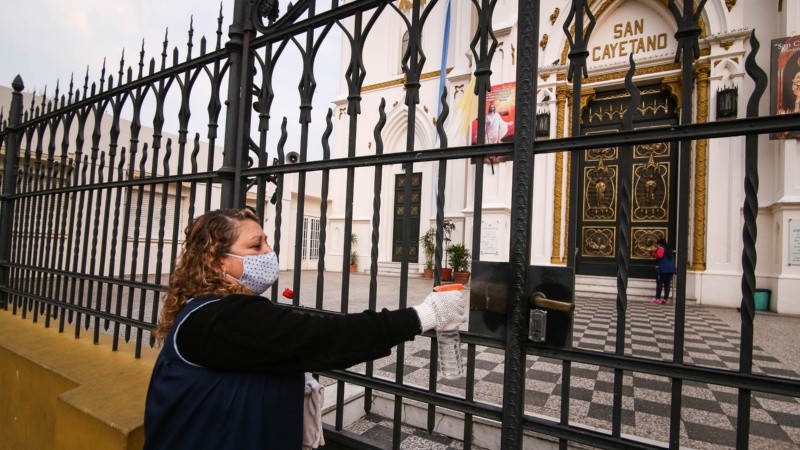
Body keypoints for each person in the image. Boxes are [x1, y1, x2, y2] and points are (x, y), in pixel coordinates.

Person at [143, 209, 466, 449]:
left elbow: (273, 350)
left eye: (267, 242)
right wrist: (422, 315)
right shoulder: (220, 316)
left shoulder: (211, 307)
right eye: (256, 246)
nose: (269, 252)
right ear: (217, 261)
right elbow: (323, 337)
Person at [650, 238, 676, 305]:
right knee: (667, 284)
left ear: (659, 243)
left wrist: (653, 254)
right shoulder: (669, 249)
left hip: (663, 269)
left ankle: (657, 298)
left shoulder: (661, 247)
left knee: (659, 283)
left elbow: (659, 255)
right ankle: (666, 299)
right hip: (670, 269)